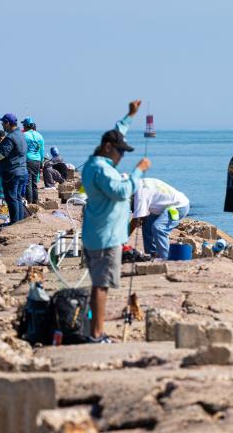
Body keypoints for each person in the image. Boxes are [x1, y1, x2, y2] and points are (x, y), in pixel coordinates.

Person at [80, 100, 151, 343]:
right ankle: (97, 334)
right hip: (106, 235)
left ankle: (94, 330)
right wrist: (139, 171)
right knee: (101, 286)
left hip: (95, 233)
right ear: (108, 148)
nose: (122, 156)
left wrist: (130, 115)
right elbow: (121, 192)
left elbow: (117, 132)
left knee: (98, 284)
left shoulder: (93, 163)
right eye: (120, 151)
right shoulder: (103, 169)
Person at [131, 178, 190, 260]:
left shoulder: (140, 194)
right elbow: (141, 217)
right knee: (147, 225)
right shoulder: (141, 181)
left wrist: (123, 239)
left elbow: (136, 221)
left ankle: (165, 259)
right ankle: (153, 255)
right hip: (167, 205)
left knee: (158, 228)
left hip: (178, 206)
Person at [0, 113, 28, 223]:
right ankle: (19, 222)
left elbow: (2, 155)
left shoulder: (10, 137)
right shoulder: (21, 135)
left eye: (3, 123)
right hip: (22, 171)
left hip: (12, 172)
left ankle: (14, 222)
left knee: (11, 198)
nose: (2, 125)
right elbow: (13, 150)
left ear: (7, 123)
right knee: (18, 198)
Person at [22, 117, 45, 205]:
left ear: (25, 126)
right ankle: (35, 200)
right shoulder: (40, 136)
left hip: (28, 159)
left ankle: (30, 201)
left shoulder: (24, 135)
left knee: (28, 182)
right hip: (37, 160)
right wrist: (42, 163)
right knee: (34, 182)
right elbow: (42, 151)